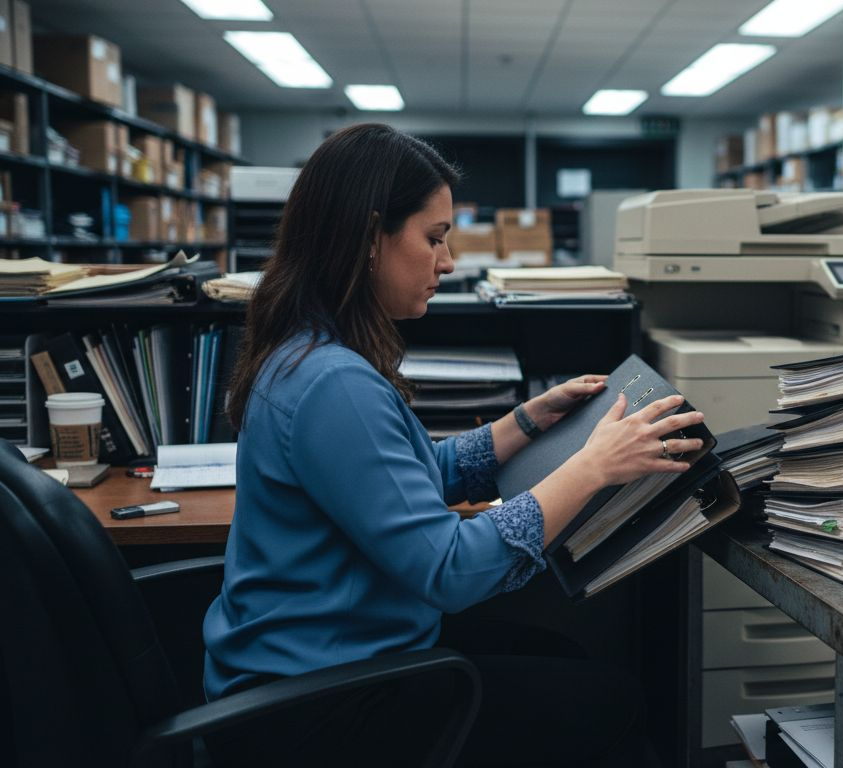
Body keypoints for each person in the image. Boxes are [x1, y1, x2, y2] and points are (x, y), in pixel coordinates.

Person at [201, 123, 701, 766]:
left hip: (323, 665)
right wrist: (592, 466)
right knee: (612, 699)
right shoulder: (333, 384)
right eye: (433, 237)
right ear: (369, 237)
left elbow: (404, 480)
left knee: (562, 658)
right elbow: (449, 570)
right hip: (320, 708)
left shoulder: (309, 353)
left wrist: (523, 423)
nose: (448, 261)